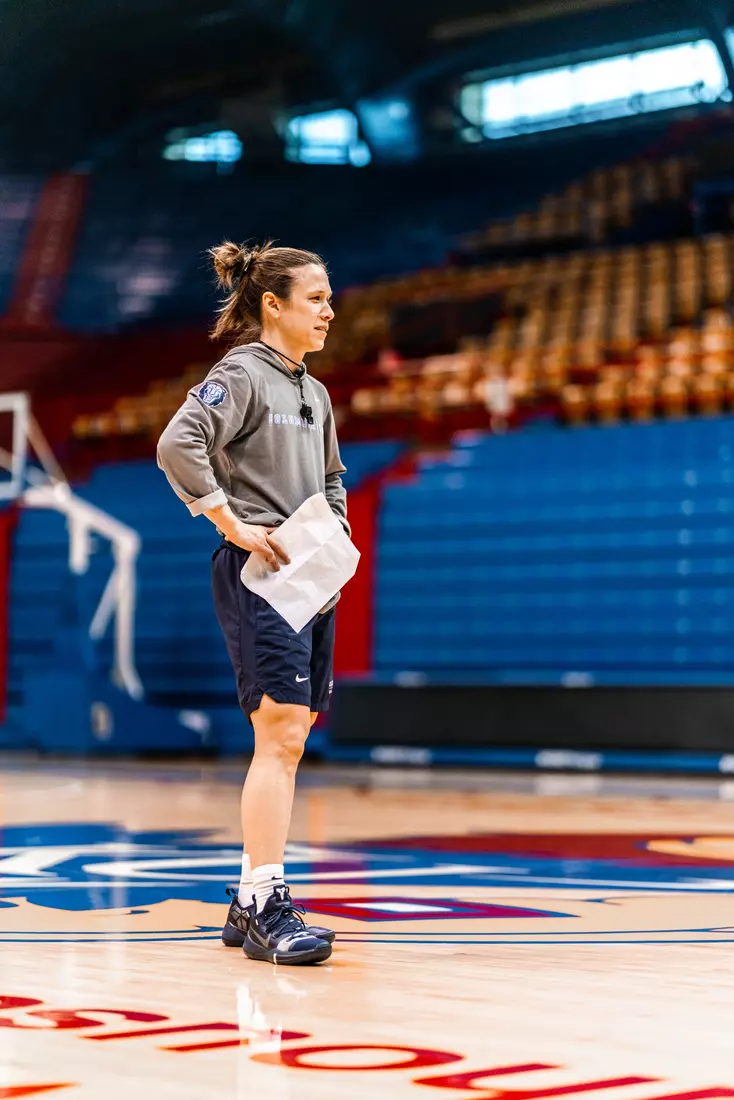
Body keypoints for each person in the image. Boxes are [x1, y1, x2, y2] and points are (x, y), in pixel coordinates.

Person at [157, 240, 350, 966]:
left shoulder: (315, 393)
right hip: (259, 573)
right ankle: (269, 903)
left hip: (308, 577)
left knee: (292, 737)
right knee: (281, 735)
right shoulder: (241, 373)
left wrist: (335, 545)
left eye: (329, 299)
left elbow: (331, 480)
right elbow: (178, 444)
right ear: (274, 304)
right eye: (316, 298)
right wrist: (230, 522)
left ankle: (247, 898)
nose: (329, 311)